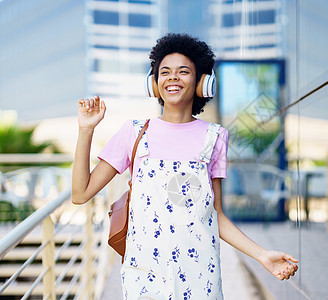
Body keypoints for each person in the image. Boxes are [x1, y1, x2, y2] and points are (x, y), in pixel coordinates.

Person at [72, 33, 298, 299]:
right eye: (165, 72)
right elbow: (80, 194)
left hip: (201, 274)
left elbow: (216, 215)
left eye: (184, 71)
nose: (173, 77)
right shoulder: (133, 133)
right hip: (145, 275)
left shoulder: (215, 137)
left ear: (202, 82)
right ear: (154, 84)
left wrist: (262, 255)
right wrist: (85, 130)